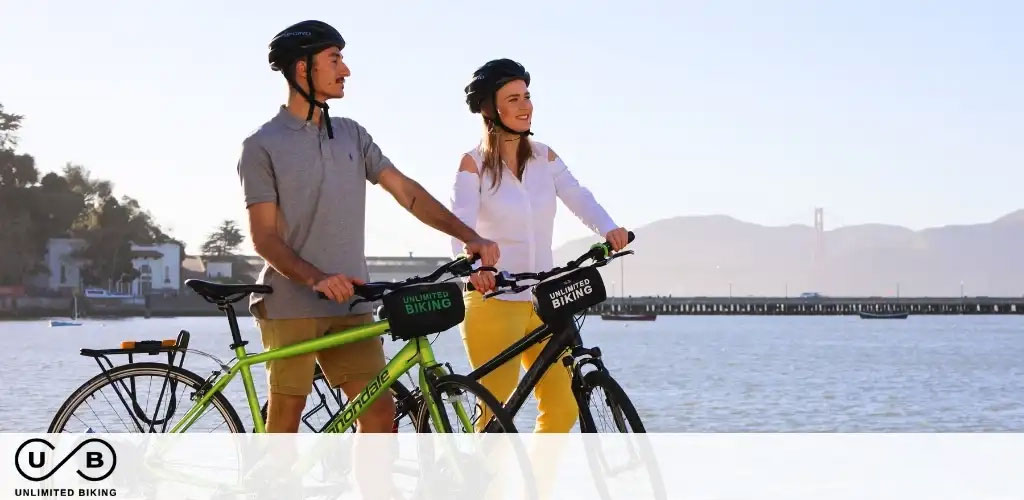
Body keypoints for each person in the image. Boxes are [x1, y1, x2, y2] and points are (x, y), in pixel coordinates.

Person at [237, 20, 499, 433]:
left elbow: (406, 192)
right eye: (335, 59)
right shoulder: (262, 145)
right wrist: (317, 278)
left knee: (379, 418)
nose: (346, 70)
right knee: (285, 422)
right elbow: (264, 237)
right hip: (291, 304)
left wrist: (470, 235)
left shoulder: (352, 135)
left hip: (353, 302)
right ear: (302, 68)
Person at [450, 58, 629, 432]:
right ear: (489, 108)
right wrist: (476, 269)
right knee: (494, 418)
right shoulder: (473, 165)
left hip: (544, 300)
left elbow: (578, 195)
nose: (525, 105)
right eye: (513, 98)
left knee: (563, 408)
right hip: (493, 301)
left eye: (527, 96)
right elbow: (461, 227)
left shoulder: (544, 157)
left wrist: (609, 229)